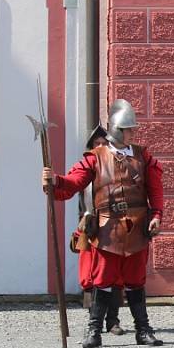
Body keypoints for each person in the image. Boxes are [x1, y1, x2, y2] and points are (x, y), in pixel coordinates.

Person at [42, 99, 164, 348]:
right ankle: (94, 331)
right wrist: (54, 181)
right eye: (130, 129)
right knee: (103, 280)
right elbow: (73, 182)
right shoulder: (95, 157)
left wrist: (157, 216)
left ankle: (143, 330)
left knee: (135, 281)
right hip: (107, 228)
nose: (134, 133)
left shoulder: (143, 156)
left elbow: (156, 190)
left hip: (137, 225)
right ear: (118, 130)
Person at [69, 125, 126, 335]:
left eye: (104, 143)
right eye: (97, 144)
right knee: (90, 275)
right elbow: (73, 188)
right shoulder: (85, 167)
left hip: (112, 227)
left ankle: (113, 321)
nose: (101, 147)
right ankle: (94, 320)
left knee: (115, 275)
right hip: (91, 226)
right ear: (92, 147)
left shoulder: (116, 167)